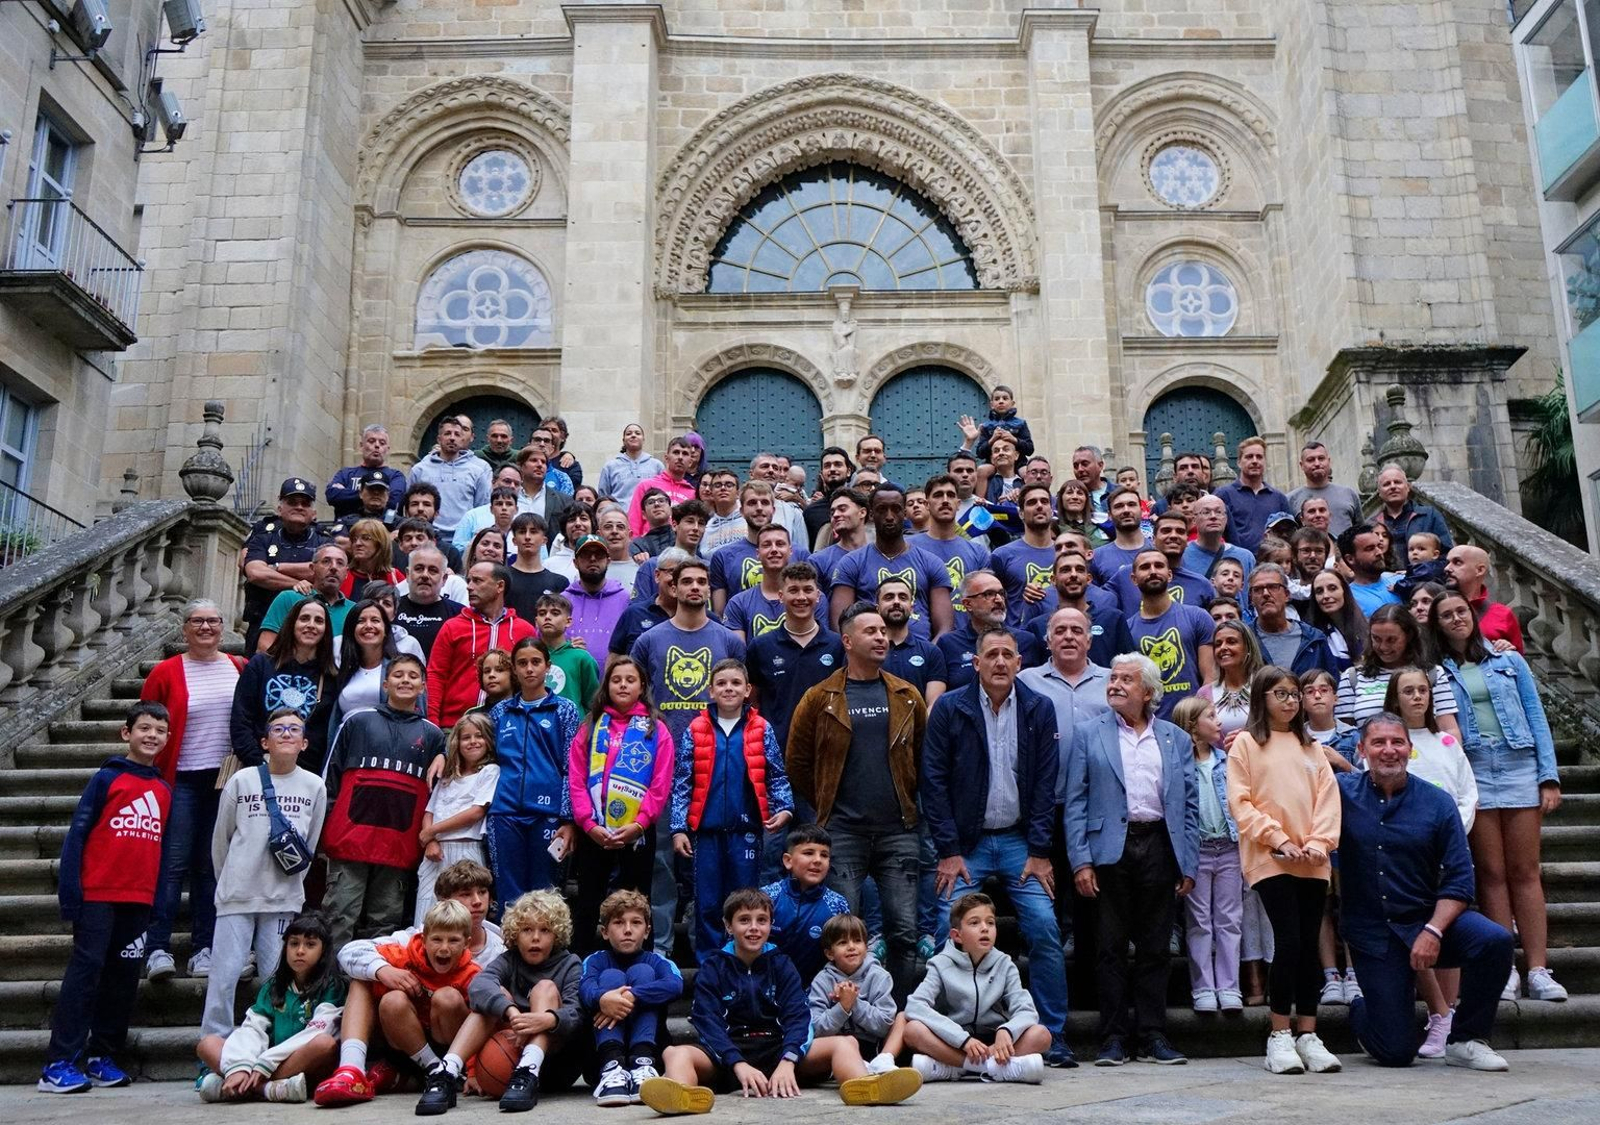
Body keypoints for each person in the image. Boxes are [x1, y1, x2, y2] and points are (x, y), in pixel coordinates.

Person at [920, 626, 1072, 1067]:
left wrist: (1041, 851)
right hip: (964, 846)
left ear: (1020, 662)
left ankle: (1052, 1034)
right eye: (992, 655)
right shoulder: (950, 708)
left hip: (1020, 843)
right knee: (944, 931)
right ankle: (948, 1037)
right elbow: (933, 782)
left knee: (1044, 926)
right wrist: (947, 850)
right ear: (977, 662)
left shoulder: (1038, 709)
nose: (1001, 662)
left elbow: (1046, 785)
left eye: (1009, 654)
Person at [639, 889, 920, 1115]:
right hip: (728, 1054)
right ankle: (682, 1097)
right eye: (744, 920)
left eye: (762, 920)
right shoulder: (714, 966)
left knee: (845, 1043)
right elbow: (706, 1021)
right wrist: (737, 1063)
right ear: (728, 926)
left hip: (779, 1051)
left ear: (771, 925)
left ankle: (864, 1086)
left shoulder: (782, 964)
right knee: (675, 1054)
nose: (754, 928)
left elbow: (799, 1017)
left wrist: (788, 1060)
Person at [1336, 714, 1514, 1070]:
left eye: (1397, 742)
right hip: (1374, 934)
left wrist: (1433, 930)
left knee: (1495, 940)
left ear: (1410, 750)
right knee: (1396, 1053)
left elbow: (1460, 880)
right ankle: (1362, 1007)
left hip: (1428, 920)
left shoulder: (1437, 802)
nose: (1389, 751)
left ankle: (1467, 1039)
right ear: (1361, 750)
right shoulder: (1340, 793)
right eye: (1378, 743)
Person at [1429, 593, 1566, 1002]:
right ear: (1436, 625)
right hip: (1474, 769)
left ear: (1472, 616)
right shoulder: (1438, 671)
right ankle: (1504, 965)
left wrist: (1549, 776)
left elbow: (1536, 716)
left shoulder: (1509, 660)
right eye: (1446, 616)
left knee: (1525, 870)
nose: (1456, 619)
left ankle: (1539, 968)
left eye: (1460, 612)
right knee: (1490, 873)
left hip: (1519, 762)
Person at [1063, 654, 1197, 1066]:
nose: (1115, 684)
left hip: (1159, 845)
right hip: (1109, 851)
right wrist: (1080, 861)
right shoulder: (1088, 734)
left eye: (1126, 679)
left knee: (1156, 948)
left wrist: (1187, 863)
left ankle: (1153, 1034)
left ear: (1149, 692)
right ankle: (1114, 1037)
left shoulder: (1175, 737)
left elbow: (1189, 804)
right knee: (1109, 948)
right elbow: (1075, 802)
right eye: (1113, 677)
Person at [787, 603, 928, 993]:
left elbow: (921, 756)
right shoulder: (819, 698)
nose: (882, 637)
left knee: (903, 931)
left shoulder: (908, 695)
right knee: (843, 935)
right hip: (842, 833)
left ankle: (895, 1016)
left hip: (898, 830)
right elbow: (797, 762)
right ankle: (846, 1016)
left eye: (884, 631)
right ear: (847, 641)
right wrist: (824, 809)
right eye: (871, 631)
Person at [38, 702, 172, 1094]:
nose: (151, 736)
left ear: (166, 738)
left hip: (139, 900)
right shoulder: (106, 780)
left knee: (122, 980)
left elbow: (162, 851)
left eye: (159, 731)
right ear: (125, 733)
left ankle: (102, 1056)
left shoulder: (163, 790)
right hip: (98, 895)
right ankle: (58, 1063)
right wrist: (71, 895)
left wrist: (158, 906)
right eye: (144, 728)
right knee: (86, 975)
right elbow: (77, 836)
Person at [1226, 666, 1343, 1074]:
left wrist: (1316, 844)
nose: (1291, 701)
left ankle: (1308, 1033)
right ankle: (1279, 1034)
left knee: (1309, 943)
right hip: (1270, 858)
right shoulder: (1245, 744)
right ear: (1262, 698)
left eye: (1295, 694)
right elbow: (1241, 803)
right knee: (1289, 939)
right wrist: (1279, 840)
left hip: (1311, 860)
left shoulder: (1311, 747)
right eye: (1282, 694)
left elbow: (1328, 799)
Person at [314, 861, 504, 1107]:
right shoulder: (417, 938)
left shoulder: (500, 948)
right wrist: (383, 970)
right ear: (444, 902)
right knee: (365, 978)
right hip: (406, 1035)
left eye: (483, 892)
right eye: (466, 894)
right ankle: (351, 1070)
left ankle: (443, 1071)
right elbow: (349, 953)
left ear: (465, 943)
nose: (477, 901)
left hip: (460, 1040)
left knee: (454, 997)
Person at [201, 709, 328, 1038]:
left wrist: (292, 886)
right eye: (279, 729)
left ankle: (272, 1042)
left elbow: (310, 844)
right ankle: (213, 1046)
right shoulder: (241, 780)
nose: (286, 734)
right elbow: (221, 839)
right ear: (265, 741)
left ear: (304, 743)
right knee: (224, 976)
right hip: (237, 895)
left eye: (294, 730)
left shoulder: (314, 785)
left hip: (283, 897)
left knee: (279, 977)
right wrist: (229, 880)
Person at [137, 600, 246, 981]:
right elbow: (145, 725)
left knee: (211, 867)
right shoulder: (167, 673)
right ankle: (157, 948)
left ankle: (204, 949)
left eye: (213, 621)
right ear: (184, 629)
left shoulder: (239, 667)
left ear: (222, 627)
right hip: (179, 779)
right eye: (197, 621)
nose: (206, 628)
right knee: (172, 864)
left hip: (223, 782)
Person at [670, 659, 794, 959]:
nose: (729, 688)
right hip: (707, 831)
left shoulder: (760, 728)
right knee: (708, 903)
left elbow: (775, 773)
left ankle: (744, 965)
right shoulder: (696, 728)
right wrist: (678, 828)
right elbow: (683, 781)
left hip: (747, 830)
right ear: (711, 690)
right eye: (722, 683)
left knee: (745, 901)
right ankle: (711, 969)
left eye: (736, 683)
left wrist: (785, 807)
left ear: (748, 689)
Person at [321, 656, 443, 948]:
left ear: (423, 687)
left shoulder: (433, 735)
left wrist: (446, 754)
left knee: (385, 921)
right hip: (350, 839)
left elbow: (439, 793)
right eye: (398, 675)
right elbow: (331, 779)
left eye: (413, 676)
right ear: (385, 684)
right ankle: (331, 989)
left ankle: (370, 987)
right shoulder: (357, 721)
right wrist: (324, 829)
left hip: (398, 845)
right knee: (338, 915)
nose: (405, 680)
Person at [566, 656, 674, 951]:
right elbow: (576, 778)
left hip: (636, 831)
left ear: (642, 687)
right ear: (606, 686)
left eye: (630, 680)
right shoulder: (590, 726)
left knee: (638, 901)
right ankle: (586, 964)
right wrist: (587, 823)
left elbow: (660, 783)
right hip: (594, 830)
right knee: (590, 900)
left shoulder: (657, 729)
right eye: (616, 680)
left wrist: (639, 824)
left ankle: (642, 966)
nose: (623, 685)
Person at [196, 910, 345, 1104]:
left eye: (310, 945)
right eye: (293, 944)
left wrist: (265, 1063)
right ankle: (265, 1087)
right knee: (207, 1044)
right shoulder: (274, 986)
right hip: (265, 1060)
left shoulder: (332, 987)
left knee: (323, 1044)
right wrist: (240, 1066)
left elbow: (317, 1032)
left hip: (300, 1063)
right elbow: (253, 1029)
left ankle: (248, 1087)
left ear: (323, 951)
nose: (300, 951)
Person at [903, 892, 1049, 1084]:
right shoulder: (940, 964)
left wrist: (1007, 1031)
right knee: (912, 1030)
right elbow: (915, 1006)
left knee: (1042, 1035)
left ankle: (955, 1068)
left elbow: (1026, 1010)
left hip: (996, 1041)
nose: (984, 929)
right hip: (957, 1041)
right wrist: (961, 1039)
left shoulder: (1005, 964)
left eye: (990, 923)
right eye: (974, 923)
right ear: (957, 935)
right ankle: (996, 1068)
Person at [485, 638, 584, 906]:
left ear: (547, 667)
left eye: (535, 662)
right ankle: (509, 946)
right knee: (509, 890)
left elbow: (572, 766)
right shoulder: (500, 712)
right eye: (522, 663)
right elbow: (481, 757)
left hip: (548, 814)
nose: (529, 669)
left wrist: (568, 819)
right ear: (514, 670)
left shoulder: (565, 710)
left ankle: (548, 948)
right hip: (504, 812)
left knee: (546, 893)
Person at [1170, 698, 1243, 1012]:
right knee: (1199, 921)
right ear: (1191, 725)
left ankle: (1229, 987)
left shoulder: (1227, 761)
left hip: (1228, 848)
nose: (1219, 721)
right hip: (1197, 851)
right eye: (1211, 716)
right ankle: (1203, 987)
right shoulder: (1178, 764)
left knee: (1229, 920)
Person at [580, 889, 685, 1106]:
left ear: (646, 931)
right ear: (605, 931)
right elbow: (584, 988)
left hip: (653, 1054)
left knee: (643, 973)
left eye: (635, 923)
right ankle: (612, 1067)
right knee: (611, 976)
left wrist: (631, 995)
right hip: (600, 1059)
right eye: (618, 923)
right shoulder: (594, 960)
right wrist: (602, 999)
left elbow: (675, 985)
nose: (627, 930)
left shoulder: (658, 961)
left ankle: (642, 1064)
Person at [829, 485, 953, 639]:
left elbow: (945, 627)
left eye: (896, 509)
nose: (889, 516)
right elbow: (839, 624)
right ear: (872, 514)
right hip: (867, 656)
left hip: (922, 654)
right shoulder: (851, 562)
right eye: (882, 509)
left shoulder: (931, 562)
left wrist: (929, 655)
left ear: (905, 513)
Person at [745, 562, 845, 753]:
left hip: (826, 750)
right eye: (793, 590)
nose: (801, 597)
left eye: (808, 590)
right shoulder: (761, 646)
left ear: (818, 596)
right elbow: (753, 701)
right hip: (776, 754)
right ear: (781, 596)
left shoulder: (837, 645)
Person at [231, 598, 338, 772]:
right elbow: (241, 719)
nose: (311, 625)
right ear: (291, 624)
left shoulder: (330, 676)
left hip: (306, 776)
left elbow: (324, 733)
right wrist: (258, 762)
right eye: (304, 619)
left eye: (318, 621)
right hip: (257, 767)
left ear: (326, 630)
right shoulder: (261, 665)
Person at [415, 713, 500, 925]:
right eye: (466, 738)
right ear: (457, 743)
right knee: (427, 909)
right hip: (435, 852)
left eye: (479, 736)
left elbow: (476, 812)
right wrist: (431, 840)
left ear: (488, 741)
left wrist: (431, 832)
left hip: (467, 848)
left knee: (466, 913)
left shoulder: (490, 771)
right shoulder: (447, 776)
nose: (473, 742)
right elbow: (429, 811)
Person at [427, 563, 536, 729]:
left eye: (477, 581)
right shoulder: (452, 627)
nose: (469, 587)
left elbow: (533, 679)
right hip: (456, 726)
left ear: (499, 586)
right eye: (469, 580)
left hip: (509, 727)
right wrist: (432, 725)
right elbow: (435, 676)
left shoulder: (524, 630)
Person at [1336, 604, 1462, 740]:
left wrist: (1455, 756)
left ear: (1409, 636)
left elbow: (1448, 729)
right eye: (1376, 639)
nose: (1383, 647)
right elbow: (1344, 735)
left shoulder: (1433, 674)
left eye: (1391, 640)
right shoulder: (1352, 677)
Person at [808, 913, 906, 1074]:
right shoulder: (822, 981)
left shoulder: (879, 976)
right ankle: (858, 1068)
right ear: (830, 953)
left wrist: (854, 1002)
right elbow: (816, 1029)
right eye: (842, 942)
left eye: (857, 940)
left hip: (873, 1048)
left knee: (902, 1017)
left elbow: (884, 1025)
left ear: (866, 947)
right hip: (839, 1049)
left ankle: (884, 1060)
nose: (851, 946)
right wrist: (842, 1008)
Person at [1126, 548, 1217, 719]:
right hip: (1150, 728)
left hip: (1194, 721)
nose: (1153, 571)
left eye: (1158, 566)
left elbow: (1210, 679)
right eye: (1145, 567)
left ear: (1169, 575)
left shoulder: (1198, 617)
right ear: (1133, 579)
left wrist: (1200, 719)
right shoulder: (1127, 629)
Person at [241, 478, 328, 650]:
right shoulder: (263, 537)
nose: (299, 507)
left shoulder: (323, 541)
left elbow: (325, 573)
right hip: (263, 620)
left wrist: (274, 567)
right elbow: (255, 573)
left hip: (309, 627)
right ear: (280, 509)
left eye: (305, 503)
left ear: (314, 513)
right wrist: (298, 583)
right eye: (292, 502)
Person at [935, 570, 1044, 691]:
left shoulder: (1026, 641)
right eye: (988, 594)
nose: (998, 600)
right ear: (968, 604)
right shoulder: (949, 643)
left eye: (1001, 593)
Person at [1110, 511, 1215, 614]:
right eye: (1166, 531)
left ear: (1187, 540)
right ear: (1153, 539)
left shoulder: (1201, 584)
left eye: (1180, 531)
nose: (1174, 535)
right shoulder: (1125, 575)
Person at [257, 543, 352, 652]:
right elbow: (265, 646)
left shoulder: (354, 610)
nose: (334, 567)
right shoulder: (288, 598)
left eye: (340, 563)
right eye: (326, 561)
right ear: (312, 568)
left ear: (346, 573)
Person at [1247, 563, 1338, 675]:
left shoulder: (1314, 639)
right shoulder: (1243, 639)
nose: (1266, 593)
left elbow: (1332, 684)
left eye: (1273, 587)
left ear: (1287, 595)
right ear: (1251, 598)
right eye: (1258, 589)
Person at [988, 483, 1057, 627]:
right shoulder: (1002, 555)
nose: (1039, 506)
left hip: (1062, 635)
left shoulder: (1066, 553)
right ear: (1021, 513)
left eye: (1044, 502)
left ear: (1052, 510)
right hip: (1019, 638)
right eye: (1032, 502)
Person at [410, 417, 491, 537]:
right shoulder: (420, 470)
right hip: (426, 536)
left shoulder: (477, 471)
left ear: (462, 438)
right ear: (439, 439)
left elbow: (482, 508)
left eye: (457, 434)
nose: (452, 438)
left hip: (464, 539)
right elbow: (409, 506)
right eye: (447, 433)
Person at [876, 577, 948, 704]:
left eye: (903, 597)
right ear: (877, 608)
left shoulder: (931, 652)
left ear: (912, 607)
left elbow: (934, 705)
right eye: (889, 597)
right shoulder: (863, 651)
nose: (896, 602)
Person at [1216, 437, 1290, 555]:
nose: (1255, 461)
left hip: (1271, 564)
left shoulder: (1279, 498)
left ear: (1265, 461)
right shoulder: (1223, 495)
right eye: (1249, 457)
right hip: (1236, 564)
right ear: (1239, 462)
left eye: (1259, 457)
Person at [1444, 544, 1524, 653]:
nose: (1447, 568)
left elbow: (1519, 664)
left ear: (1480, 570)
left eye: (1457, 562)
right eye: (1447, 563)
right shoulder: (1434, 607)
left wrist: (1508, 649)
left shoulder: (1503, 614)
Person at [722, 525, 793, 641]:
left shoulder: (809, 599)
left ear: (790, 551)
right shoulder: (738, 603)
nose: (774, 549)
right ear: (757, 553)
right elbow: (738, 655)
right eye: (767, 545)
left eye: (780, 544)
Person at [393, 547, 465, 659]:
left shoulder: (459, 614)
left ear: (444, 579)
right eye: (419, 569)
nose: (425, 575)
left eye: (433, 570)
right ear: (407, 574)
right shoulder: (391, 610)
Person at [563, 534, 629, 654]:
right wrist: (565, 647)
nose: (593, 559)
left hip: (613, 672)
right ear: (575, 562)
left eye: (599, 555)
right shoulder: (563, 601)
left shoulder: (625, 599)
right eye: (586, 555)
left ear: (608, 561)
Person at [328, 425, 408, 519]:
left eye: (382, 443)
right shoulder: (345, 474)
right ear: (361, 446)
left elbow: (394, 502)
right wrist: (377, 498)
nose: (377, 445)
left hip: (383, 528)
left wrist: (349, 495)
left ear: (387, 449)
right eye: (371, 441)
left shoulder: (396, 476)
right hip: (346, 528)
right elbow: (332, 495)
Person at [1285, 442, 1362, 538]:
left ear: (1328, 461)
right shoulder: (1290, 500)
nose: (1317, 463)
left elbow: (1360, 531)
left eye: (1321, 458)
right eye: (1310, 460)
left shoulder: (1349, 494)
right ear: (1301, 465)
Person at [627, 436, 699, 537]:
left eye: (685, 454)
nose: (680, 457)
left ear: (690, 462)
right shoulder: (646, 486)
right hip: (648, 547)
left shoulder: (692, 493)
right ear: (666, 458)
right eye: (676, 452)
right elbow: (634, 522)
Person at [1373, 464, 1453, 552]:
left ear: (1407, 487)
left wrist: (1425, 566)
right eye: (1386, 484)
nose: (1393, 487)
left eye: (1397, 482)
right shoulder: (1373, 523)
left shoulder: (1429, 516)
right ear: (1379, 493)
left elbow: (1446, 554)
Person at [596, 423, 666, 513]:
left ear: (643, 439)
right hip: (620, 519)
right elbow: (603, 498)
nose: (633, 435)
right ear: (623, 440)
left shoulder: (656, 465)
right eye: (629, 434)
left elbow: (664, 493)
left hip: (649, 519)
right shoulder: (610, 467)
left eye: (637, 433)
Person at [1338, 523, 1402, 618]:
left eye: (1379, 547)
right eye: (1370, 549)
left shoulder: (1401, 581)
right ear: (1350, 559)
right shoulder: (1349, 600)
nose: (1379, 552)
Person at [1090, 486, 1151, 585]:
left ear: (1141, 510)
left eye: (1131, 504)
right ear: (1109, 515)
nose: (1126, 510)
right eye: (1119, 506)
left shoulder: (1159, 551)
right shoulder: (1097, 558)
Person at [1308, 569, 1365, 672]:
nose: (1326, 596)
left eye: (1332, 588)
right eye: (1319, 591)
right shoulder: (1310, 636)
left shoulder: (1367, 627)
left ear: (1344, 591)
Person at [1055, 479, 1107, 549]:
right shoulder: (1053, 528)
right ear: (1061, 498)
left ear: (1086, 499)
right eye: (1069, 493)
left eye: (1080, 493)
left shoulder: (1102, 525)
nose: (1075, 497)